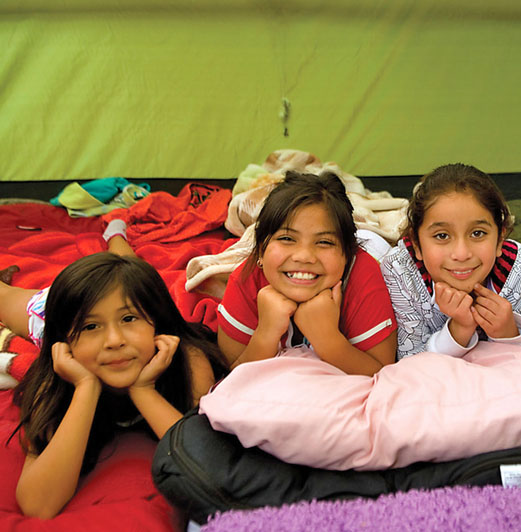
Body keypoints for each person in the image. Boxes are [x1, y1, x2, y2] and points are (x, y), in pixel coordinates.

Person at [7, 227, 226, 518]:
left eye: (129, 318)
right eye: (91, 326)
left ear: (157, 325)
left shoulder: (187, 360)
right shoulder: (54, 378)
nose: (114, 340)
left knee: (129, 270)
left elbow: (211, 466)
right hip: (51, 312)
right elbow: (39, 505)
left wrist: (144, 391)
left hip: (119, 292)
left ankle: (116, 235)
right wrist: (85, 386)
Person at [216, 171, 398, 376]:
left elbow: (383, 375)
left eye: (324, 242)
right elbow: (228, 379)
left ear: (347, 255)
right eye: (286, 239)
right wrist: (266, 333)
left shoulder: (362, 274)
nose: (304, 256)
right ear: (260, 250)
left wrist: (327, 338)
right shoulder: (245, 280)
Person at [381, 163, 521, 360]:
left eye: (477, 233)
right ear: (416, 244)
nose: (461, 254)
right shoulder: (401, 271)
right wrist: (459, 329)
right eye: (442, 236)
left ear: (500, 239)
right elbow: (410, 362)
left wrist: (508, 332)